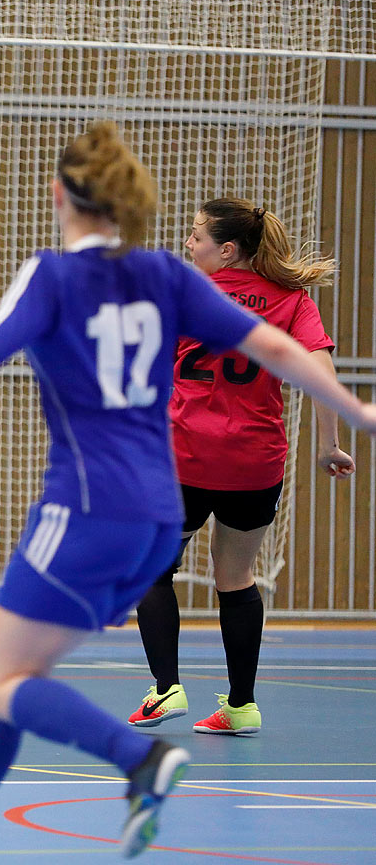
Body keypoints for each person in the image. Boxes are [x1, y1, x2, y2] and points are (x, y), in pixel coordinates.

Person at [0, 122, 376, 865]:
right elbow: (278, 347)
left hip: (87, 512)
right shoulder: (169, 275)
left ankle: (137, 758)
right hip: (155, 516)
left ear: (61, 195)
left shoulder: (53, 274)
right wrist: (357, 413)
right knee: (7, 684)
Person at [127, 198, 354, 736]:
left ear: (226, 250)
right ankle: (242, 705)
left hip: (186, 457)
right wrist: (329, 444)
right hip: (255, 463)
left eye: (196, 235)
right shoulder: (293, 301)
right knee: (237, 578)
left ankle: (166, 689)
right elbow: (319, 370)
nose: (187, 244)